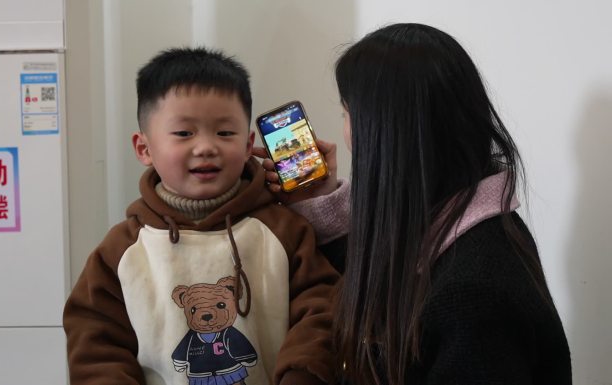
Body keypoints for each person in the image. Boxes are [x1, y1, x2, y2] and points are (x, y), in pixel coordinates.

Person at [256, 23, 571, 384]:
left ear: (386, 132)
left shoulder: (473, 290)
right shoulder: (445, 226)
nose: (345, 132)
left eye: (346, 114)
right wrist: (320, 199)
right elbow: (374, 286)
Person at [63, 47, 340, 385]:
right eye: (184, 133)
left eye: (225, 133)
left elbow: (322, 313)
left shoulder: (285, 231)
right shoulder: (122, 249)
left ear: (248, 142)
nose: (206, 146)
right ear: (144, 148)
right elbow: (97, 342)